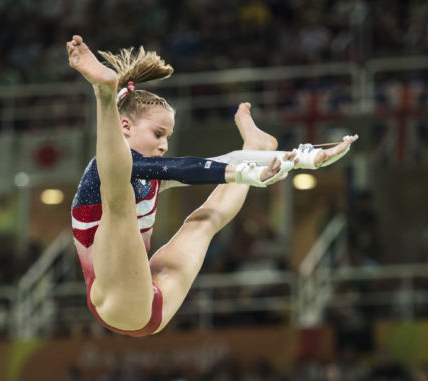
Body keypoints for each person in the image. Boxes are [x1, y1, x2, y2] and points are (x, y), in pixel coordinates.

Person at [66, 35, 357, 336]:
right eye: (158, 134)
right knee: (120, 196)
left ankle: (255, 145)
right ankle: (103, 93)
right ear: (124, 126)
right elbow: (178, 168)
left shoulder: (147, 173)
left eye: (168, 136)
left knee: (202, 223)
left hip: (153, 299)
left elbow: (218, 160)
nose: (165, 145)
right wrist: (247, 173)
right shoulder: (108, 170)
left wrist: (308, 158)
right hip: (116, 300)